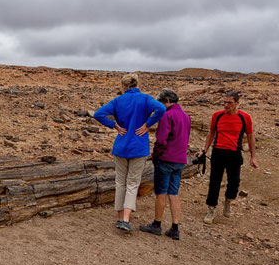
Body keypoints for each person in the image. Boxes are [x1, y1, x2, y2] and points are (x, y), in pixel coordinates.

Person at [93, 74, 166, 232]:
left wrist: (114, 126)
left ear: (123, 86)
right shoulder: (145, 99)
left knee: (120, 182)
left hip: (121, 146)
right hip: (139, 147)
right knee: (132, 183)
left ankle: (120, 217)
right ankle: (126, 219)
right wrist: (147, 125)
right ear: (137, 84)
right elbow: (161, 108)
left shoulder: (118, 101)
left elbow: (98, 114)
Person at [196, 91, 258, 224]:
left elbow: (250, 136)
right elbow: (211, 133)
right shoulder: (217, 116)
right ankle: (211, 209)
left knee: (234, 181)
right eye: (224, 102)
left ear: (237, 103)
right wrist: (204, 150)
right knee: (214, 182)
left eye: (229, 102)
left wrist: (253, 157)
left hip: (234, 153)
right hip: (218, 152)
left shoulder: (244, 117)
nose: (226, 105)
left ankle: (228, 200)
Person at [139, 89, 191, 240]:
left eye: (161, 102)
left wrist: (156, 155)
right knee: (173, 192)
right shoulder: (186, 116)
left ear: (167, 100)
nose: (160, 106)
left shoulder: (166, 116)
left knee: (161, 192)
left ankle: (156, 224)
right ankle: (175, 227)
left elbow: (161, 140)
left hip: (166, 159)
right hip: (180, 160)